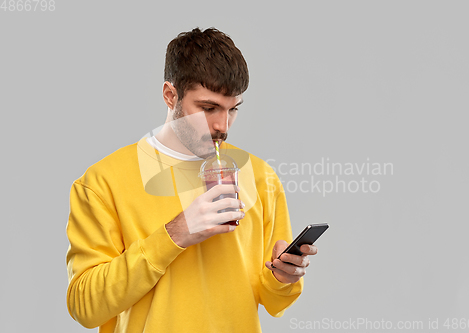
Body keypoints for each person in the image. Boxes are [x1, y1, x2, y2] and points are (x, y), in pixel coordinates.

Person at [66, 27, 318, 332]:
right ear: (170, 95)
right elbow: (85, 308)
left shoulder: (261, 176)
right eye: (208, 108)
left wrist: (282, 278)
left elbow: (273, 300)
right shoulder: (101, 182)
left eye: (232, 109)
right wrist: (175, 234)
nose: (222, 126)